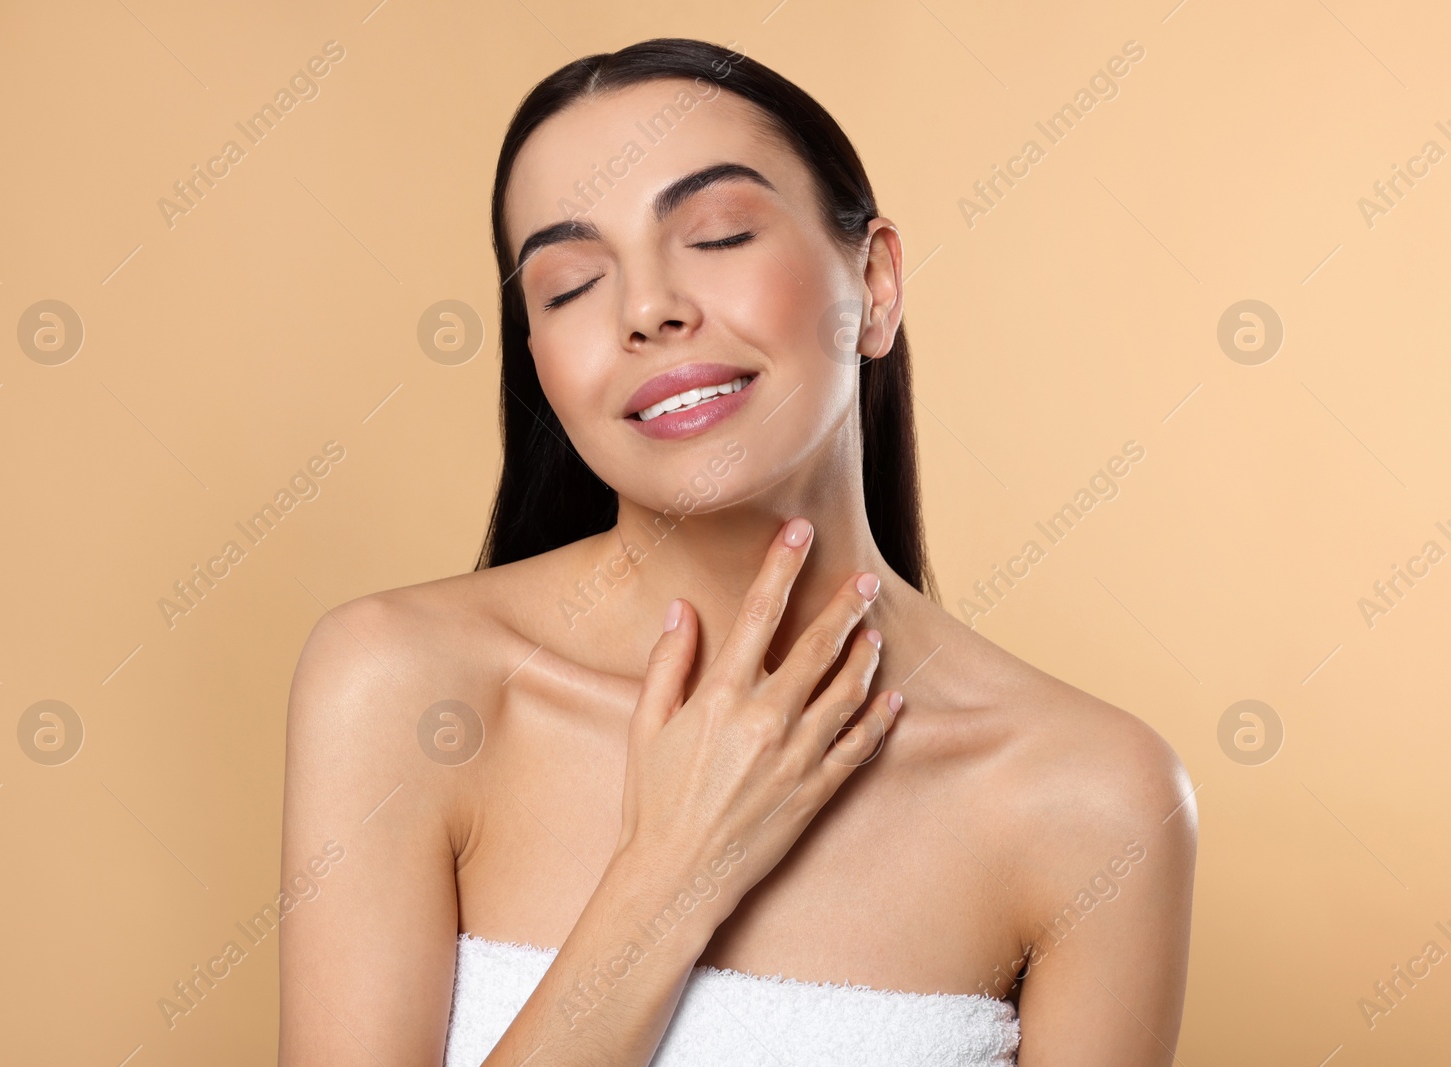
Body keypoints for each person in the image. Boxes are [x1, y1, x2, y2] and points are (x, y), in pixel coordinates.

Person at [278, 37, 1197, 1067]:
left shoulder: (1092, 796)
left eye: (715, 233)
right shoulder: (404, 688)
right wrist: (670, 874)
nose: (646, 308)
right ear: (538, 361)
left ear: (876, 280)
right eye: (570, 283)